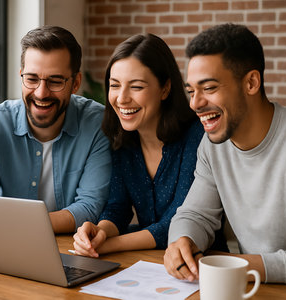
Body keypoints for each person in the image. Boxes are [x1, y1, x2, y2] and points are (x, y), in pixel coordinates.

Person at [164, 23, 286, 284]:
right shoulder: (213, 146)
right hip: (254, 289)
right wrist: (182, 242)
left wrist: (230, 267)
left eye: (209, 88)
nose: (195, 103)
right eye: (191, 91)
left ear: (251, 82)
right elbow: (195, 215)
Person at [72, 34, 204, 257]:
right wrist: (98, 232)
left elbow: (176, 223)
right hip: (147, 263)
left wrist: (109, 246)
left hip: (199, 263)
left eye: (136, 87)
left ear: (165, 88)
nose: (121, 98)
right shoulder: (123, 140)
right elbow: (117, 208)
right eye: (115, 85)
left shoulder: (196, 136)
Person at [0, 26, 111, 233]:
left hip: (72, 248)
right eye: (31, 79)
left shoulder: (98, 124)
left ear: (75, 83)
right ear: (21, 76)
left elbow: (89, 206)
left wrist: (18, 225)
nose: (41, 93)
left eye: (55, 81)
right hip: (7, 244)